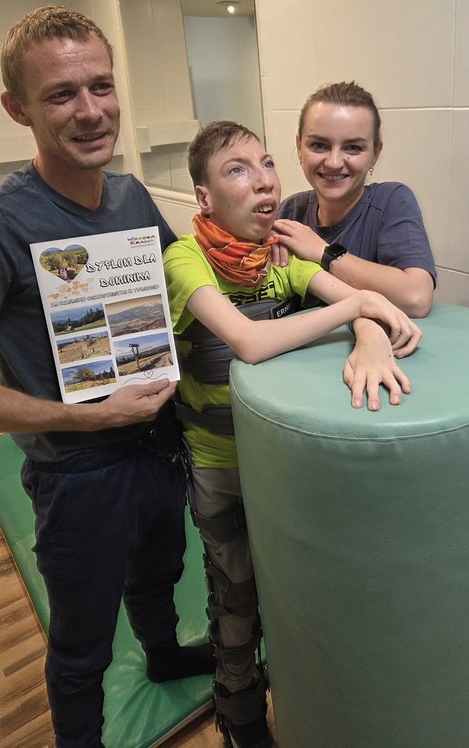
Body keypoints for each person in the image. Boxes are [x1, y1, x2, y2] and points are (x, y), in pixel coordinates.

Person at [0, 6, 212, 747]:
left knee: (160, 572)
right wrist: (87, 417)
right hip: (79, 472)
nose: (91, 111)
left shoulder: (131, 196)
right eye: (62, 94)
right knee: (81, 643)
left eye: (101, 85)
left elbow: (180, 293)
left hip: (160, 442)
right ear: (18, 109)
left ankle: (163, 654)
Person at [163, 121, 422, 748]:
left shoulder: (281, 253)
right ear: (204, 198)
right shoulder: (184, 260)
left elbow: (358, 300)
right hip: (221, 465)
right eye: (237, 170)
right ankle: (241, 716)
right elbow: (249, 342)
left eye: (267, 163)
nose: (263, 181)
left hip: (284, 464)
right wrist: (355, 311)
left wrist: (367, 334)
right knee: (236, 599)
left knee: (300, 593)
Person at [273, 81, 436, 318]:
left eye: (353, 148)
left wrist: (323, 252)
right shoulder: (290, 211)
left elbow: (416, 298)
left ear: (375, 154)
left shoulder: (391, 201)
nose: (333, 162)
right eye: (319, 145)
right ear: (299, 147)